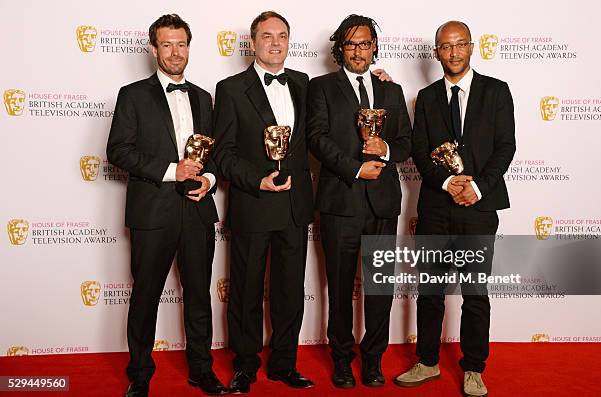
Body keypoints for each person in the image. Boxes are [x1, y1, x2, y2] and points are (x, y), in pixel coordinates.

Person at [394, 21, 515, 397]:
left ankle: (474, 368)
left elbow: (504, 147)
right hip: (435, 208)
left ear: (471, 47)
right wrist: (448, 183)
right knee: (429, 290)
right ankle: (427, 361)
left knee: (475, 293)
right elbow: (419, 150)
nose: (454, 52)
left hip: (479, 208)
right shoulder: (427, 97)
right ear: (436, 52)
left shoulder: (496, 91)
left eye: (460, 44)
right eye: (446, 47)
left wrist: (476, 187)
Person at [106, 14, 226, 397]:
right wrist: (173, 170)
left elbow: (216, 156)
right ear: (154, 49)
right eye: (167, 45)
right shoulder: (133, 94)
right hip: (152, 213)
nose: (175, 52)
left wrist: (209, 179)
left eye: (181, 44)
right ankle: (139, 374)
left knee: (198, 295)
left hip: (196, 212)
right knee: (145, 296)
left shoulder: (204, 97)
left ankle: (201, 370)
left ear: (189, 47)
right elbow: (118, 151)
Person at [212, 11, 315, 394]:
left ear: (290, 41)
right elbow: (223, 153)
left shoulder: (305, 83)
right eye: (267, 36)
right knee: (246, 290)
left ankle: (285, 364)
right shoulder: (230, 88)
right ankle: (245, 364)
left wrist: (380, 76)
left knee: (290, 289)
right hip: (253, 203)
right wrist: (257, 180)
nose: (275, 43)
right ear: (252, 42)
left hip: (294, 206)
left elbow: (341, 107)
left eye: (282, 35)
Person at [307, 14, 412, 389]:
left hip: (383, 204)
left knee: (380, 288)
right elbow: (316, 139)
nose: (358, 50)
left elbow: (405, 143)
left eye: (364, 43)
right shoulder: (321, 88)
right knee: (338, 288)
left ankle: (373, 360)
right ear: (339, 49)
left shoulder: (392, 90)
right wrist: (355, 168)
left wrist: (383, 150)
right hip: (340, 202)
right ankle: (340, 359)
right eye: (350, 44)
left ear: (374, 48)